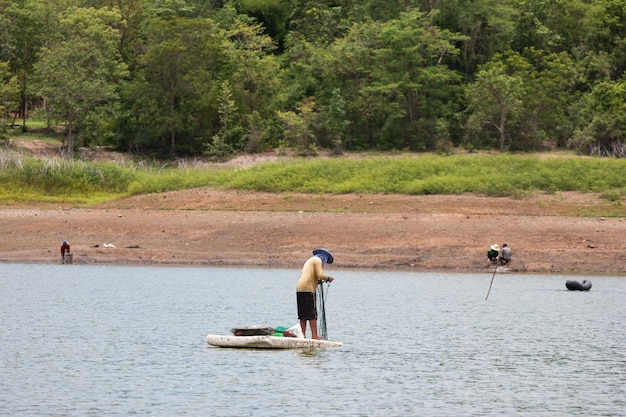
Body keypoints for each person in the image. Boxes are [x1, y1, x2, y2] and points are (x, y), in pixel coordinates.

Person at [296, 248, 335, 340]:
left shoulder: (310, 260)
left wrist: (316, 281)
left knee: (303, 314)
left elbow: (307, 275)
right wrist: (328, 278)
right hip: (308, 289)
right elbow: (320, 274)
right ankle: (315, 336)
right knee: (312, 313)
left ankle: (302, 335)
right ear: (324, 258)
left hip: (300, 288)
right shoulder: (317, 260)